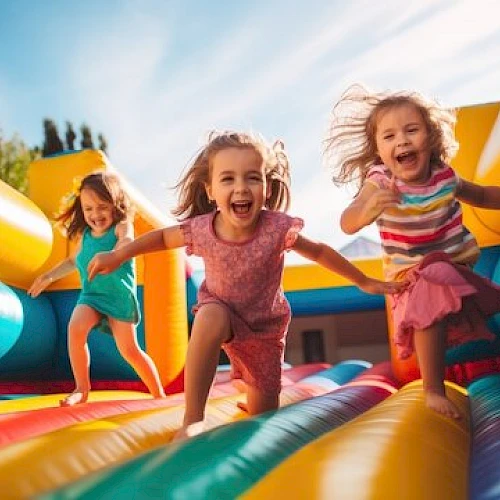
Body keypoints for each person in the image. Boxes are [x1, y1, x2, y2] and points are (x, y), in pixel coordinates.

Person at [87, 131, 405, 438]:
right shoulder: (201, 229)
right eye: (228, 178)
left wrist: (362, 280)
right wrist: (119, 254)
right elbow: (160, 238)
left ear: (266, 188)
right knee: (210, 314)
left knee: (263, 415)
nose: (241, 187)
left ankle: (254, 395)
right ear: (210, 190)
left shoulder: (277, 228)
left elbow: (319, 251)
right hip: (221, 314)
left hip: (264, 331)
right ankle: (193, 419)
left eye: (252, 177)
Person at [326, 84, 500, 419]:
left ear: (431, 137)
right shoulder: (380, 179)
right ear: (378, 149)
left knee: (454, 288)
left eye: (412, 130)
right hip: (410, 277)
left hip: (458, 269)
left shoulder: (445, 176)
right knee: (430, 293)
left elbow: (482, 195)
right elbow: (348, 222)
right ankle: (432, 390)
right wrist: (367, 210)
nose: (402, 141)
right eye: (389, 136)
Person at [28, 172, 166, 406]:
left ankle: (159, 394)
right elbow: (73, 261)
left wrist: (115, 253)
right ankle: (81, 388)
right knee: (75, 328)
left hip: (118, 297)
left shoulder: (121, 227)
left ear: (115, 205)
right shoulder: (85, 236)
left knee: (130, 351)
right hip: (91, 296)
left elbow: (127, 242)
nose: (95, 214)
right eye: (88, 208)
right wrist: (48, 276)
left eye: (102, 207)